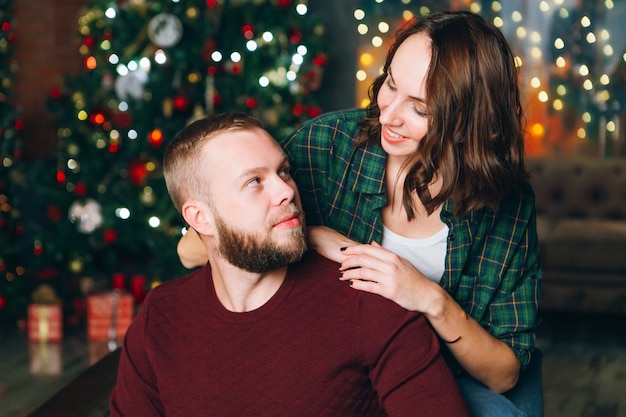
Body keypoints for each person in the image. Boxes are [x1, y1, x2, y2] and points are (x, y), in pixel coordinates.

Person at [177, 11, 543, 417]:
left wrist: (428, 298)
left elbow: (504, 373)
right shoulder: (326, 148)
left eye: (419, 109)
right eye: (390, 85)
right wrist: (310, 236)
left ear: (467, 120)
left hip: (450, 369)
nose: (388, 115)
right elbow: (192, 252)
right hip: (342, 365)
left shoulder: (506, 201)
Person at [110, 112, 470, 416]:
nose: (286, 191)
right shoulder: (160, 318)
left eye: (283, 171)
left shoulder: (367, 299)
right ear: (200, 218)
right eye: (254, 182)